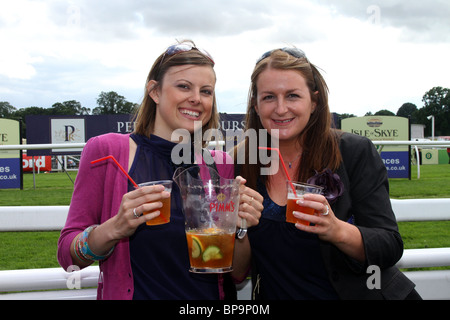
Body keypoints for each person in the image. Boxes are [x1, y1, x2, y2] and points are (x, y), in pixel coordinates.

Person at [57, 40, 262, 300]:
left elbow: (237, 274)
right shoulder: (107, 152)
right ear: (155, 91)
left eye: (206, 91)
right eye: (183, 86)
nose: (196, 99)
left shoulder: (220, 164)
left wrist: (241, 227)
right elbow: (68, 255)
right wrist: (114, 228)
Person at [233, 47, 420, 299]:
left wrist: (336, 230)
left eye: (292, 96)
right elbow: (237, 272)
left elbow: (389, 245)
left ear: (314, 102)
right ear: (255, 105)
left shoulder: (352, 152)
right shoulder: (242, 163)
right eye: (268, 97)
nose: (280, 108)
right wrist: (238, 227)